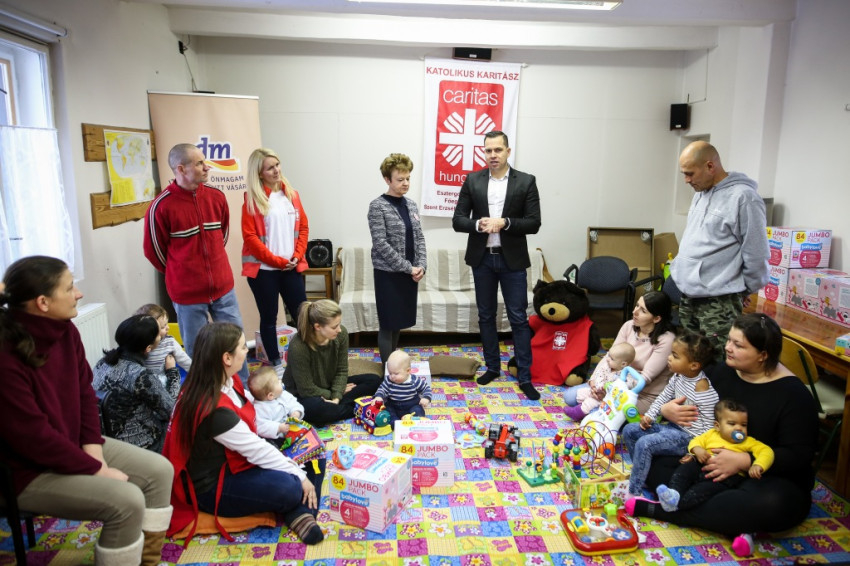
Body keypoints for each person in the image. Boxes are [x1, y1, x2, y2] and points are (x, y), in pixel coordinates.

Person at [0, 256, 173, 565]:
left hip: (69, 446)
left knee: (160, 471)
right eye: (70, 288)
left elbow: (85, 396)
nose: (78, 293)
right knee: (127, 500)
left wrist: (94, 454)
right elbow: (33, 438)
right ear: (42, 302)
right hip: (26, 470)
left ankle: (147, 561)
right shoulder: (6, 356)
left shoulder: (65, 331)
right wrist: (94, 468)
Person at [631, 313, 818, 557]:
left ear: (763, 355)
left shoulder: (794, 395)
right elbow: (691, 415)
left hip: (762, 475)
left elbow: (799, 456)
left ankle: (668, 510)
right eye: (729, 340)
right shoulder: (720, 372)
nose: (728, 348)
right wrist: (668, 412)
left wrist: (744, 460)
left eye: (738, 345)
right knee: (654, 457)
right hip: (707, 460)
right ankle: (733, 523)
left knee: (773, 505)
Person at [161, 322, 323, 544]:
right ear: (227, 358)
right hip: (212, 485)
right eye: (243, 347)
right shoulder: (214, 407)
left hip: (235, 457)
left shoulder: (225, 379)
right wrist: (300, 476)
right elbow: (256, 450)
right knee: (291, 487)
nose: (248, 351)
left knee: (312, 454)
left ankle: (299, 512)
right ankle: (300, 511)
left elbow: (252, 420)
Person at [143, 143, 248, 381]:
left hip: (223, 289)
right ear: (181, 169)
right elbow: (154, 252)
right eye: (199, 163)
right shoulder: (161, 206)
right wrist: (181, 272)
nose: (206, 167)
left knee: (235, 342)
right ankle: (205, 394)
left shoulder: (216, 197)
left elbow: (222, 236)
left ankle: (241, 391)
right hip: (188, 296)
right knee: (197, 351)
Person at [451, 130, 541, 401]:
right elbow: (458, 220)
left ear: (508, 151)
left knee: (518, 318)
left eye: (498, 150)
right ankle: (492, 367)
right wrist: (478, 224)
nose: (493, 155)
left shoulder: (526, 181)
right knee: (486, 316)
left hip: (512, 260)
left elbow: (534, 222)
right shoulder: (472, 180)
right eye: (488, 150)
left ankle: (525, 376)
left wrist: (505, 223)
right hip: (483, 259)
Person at [671, 141, 770, 359]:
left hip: (718, 300)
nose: (686, 180)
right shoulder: (700, 193)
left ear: (710, 166)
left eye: (690, 173)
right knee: (689, 357)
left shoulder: (744, 198)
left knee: (717, 360)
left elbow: (757, 252)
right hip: (690, 293)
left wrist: (744, 289)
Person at [623, 330, 718, 498]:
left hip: (689, 438)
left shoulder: (702, 387)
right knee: (630, 430)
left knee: (645, 443)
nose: (669, 358)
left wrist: (694, 451)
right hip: (673, 428)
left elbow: (710, 425)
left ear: (694, 366)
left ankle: (634, 493)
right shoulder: (678, 376)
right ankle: (641, 473)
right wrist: (650, 416)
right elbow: (664, 396)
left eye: (675, 356)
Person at [242, 148, 309, 375]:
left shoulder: (292, 194)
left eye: (277, 165)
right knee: (269, 318)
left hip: (291, 267)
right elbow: (251, 238)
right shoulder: (252, 199)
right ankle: (276, 364)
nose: (276, 170)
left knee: (303, 316)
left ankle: (307, 359)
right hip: (264, 271)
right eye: (270, 168)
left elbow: (303, 228)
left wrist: (297, 256)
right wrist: (278, 261)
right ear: (259, 173)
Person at [649, 399, 774, 519]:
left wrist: (758, 465)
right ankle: (673, 493)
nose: (739, 428)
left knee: (700, 491)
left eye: (743, 425)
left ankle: (679, 505)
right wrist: (697, 450)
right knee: (684, 471)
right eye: (732, 424)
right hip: (703, 466)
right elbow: (696, 441)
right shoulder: (711, 434)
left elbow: (767, 451)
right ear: (717, 426)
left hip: (724, 478)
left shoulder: (748, 442)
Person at [565, 291, 676, 414]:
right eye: (637, 305)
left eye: (643, 311)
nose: (635, 312)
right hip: (612, 383)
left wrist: (610, 391)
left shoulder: (666, 340)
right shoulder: (629, 326)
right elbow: (610, 356)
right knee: (569, 397)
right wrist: (594, 382)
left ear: (656, 318)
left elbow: (645, 378)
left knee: (596, 412)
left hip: (642, 394)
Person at [282, 299, 382, 427]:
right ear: (317, 327)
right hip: (304, 394)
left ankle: (336, 408)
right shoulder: (298, 346)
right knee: (317, 409)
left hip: (330, 385)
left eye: (339, 324)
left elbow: (342, 370)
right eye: (334, 327)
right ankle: (359, 409)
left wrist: (336, 396)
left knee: (374, 380)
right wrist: (333, 393)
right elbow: (306, 389)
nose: (339, 330)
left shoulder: (341, 334)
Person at [368, 153, 427, 367]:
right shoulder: (378, 206)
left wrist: (421, 266)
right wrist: (408, 268)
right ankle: (388, 370)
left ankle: (394, 365)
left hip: (408, 274)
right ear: (387, 179)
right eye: (400, 179)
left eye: (408, 178)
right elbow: (380, 244)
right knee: (388, 324)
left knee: (399, 322)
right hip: (388, 274)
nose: (406, 183)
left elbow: (419, 237)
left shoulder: (411, 205)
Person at [92, 314, 181, 452]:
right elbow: (171, 411)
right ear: (148, 348)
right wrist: (172, 372)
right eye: (158, 334)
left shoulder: (102, 363)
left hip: (106, 439)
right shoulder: (141, 376)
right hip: (139, 445)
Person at [563, 342, 635, 421]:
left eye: (612, 359)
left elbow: (627, 387)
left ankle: (577, 413)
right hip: (598, 390)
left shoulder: (627, 375)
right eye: (608, 355)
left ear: (623, 364)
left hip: (609, 399)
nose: (607, 359)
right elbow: (599, 375)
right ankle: (584, 407)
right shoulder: (607, 366)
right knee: (581, 393)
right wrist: (596, 387)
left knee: (592, 401)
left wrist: (606, 391)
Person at [373, 349, 432, 425]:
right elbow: (382, 389)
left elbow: (426, 388)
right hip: (393, 406)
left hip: (411, 406)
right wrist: (379, 397)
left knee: (418, 410)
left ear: (408, 371)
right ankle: (395, 423)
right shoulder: (389, 381)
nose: (392, 376)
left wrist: (426, 398)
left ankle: (416, 422)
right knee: (387, 410)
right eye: (390, 373)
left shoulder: (414, 380)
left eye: (396, 374)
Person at [135, 303, 192, 380]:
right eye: (162, 327)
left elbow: (185, 361)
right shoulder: (137, 343)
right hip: (144, 381)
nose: (168, 328)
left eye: (166, 324)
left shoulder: (170, 342)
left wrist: (199, 373)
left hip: (164, 380)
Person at [247, 365, 306, 440]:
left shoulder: (282, 394)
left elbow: (293, 402)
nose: (280, 381)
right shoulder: (260, 408)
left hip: (293, 429)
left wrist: (296, 412)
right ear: (271, 395)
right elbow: (261, 426)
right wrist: (278, 428)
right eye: (277, 381)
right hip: (278, 437)